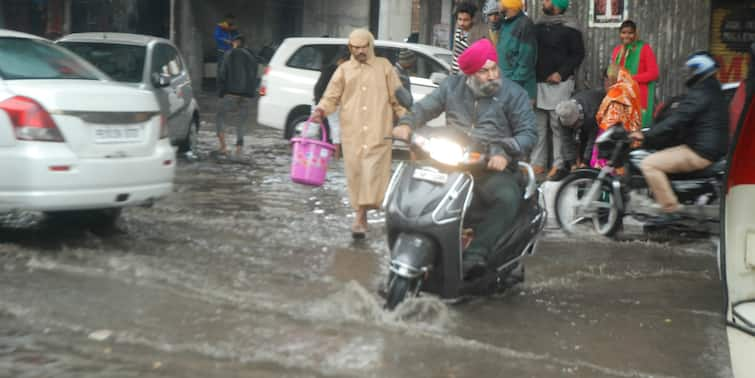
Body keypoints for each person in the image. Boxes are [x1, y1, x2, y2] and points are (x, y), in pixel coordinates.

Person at [392, 39, 537, 277]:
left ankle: (476, 253)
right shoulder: (451, 86)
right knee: (416, 181)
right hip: (451, 160)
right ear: (469, 74)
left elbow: (529, 134)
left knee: (507, 197)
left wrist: (503, 150)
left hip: (490, 164)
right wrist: (407, 124)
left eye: (494, 69)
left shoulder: (514, 94)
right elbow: (425, 107)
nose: (492, 76)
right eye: (484, 71)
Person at [311, 29, 407, 239]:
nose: (360, 51)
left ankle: (361, 214)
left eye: (364, 46)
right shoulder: (344, 70)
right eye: (355, 47)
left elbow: (397, 97)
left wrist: (408, 121)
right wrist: (320, 111)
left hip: (378, 130)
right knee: (355, 173)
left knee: (372, 171)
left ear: (370, 46)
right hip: (352, 131)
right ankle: (361, 213)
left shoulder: (384, 67)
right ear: (350, 48)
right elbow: (331, 96)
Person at [630, 52, 728, 225]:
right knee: (662, 154)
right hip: (705, 147)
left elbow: (677, 119)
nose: (688, 74)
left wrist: (645, 134)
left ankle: (670, 209)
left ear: (700, 70)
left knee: (649, 163)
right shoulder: (712, 89)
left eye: (691, 70)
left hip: (700, 151)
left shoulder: (701, 93)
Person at [532, 0, 584, 180]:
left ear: (556, 4)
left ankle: (558, 164)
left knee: (558, 126)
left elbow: (578, 54)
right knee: (538, 126)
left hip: (559, 84)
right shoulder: (538, 24)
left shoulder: (570, 27)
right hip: (538, 82)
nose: (543, 2)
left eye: (547, 0)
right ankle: (537, 163)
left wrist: (561, 73)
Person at [591, 64, 642, 168]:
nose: (605, 84)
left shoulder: (616, 97)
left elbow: (608, 127)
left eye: (606, 80)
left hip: (614, 145)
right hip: (629, 140)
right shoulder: (630, 91)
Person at [610, 20, 659, 127]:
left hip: (640, 96)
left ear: (635, 33)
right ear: (619, 33)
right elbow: (613, 72)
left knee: (637, 132)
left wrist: (631, 79)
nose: (626, 36)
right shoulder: (617, 51)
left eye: (630, 33)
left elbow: (653, 73)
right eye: (623, 32)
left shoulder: (645, 48)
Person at [554, 77, 607, 174]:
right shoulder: (562, 115)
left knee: (592, 148)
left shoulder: (592, 113)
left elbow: (593, 139)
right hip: (586, 118)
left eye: (573, 124)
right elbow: (566, 140)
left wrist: (585, 162)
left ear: (577, 117)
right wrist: (572, 164)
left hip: (603, 113)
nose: (571, 127)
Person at [216, 35, 257, 156]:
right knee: (241, 122)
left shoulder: (229, 54)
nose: (232, 44)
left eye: (233, 42)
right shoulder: (251, 56)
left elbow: (222, 74)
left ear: (236, 42)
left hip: (230, 93)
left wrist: (221, 91)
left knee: (220, 117)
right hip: (246, 95)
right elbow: (254, 75)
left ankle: (223, 146)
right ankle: (239, 149)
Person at [497, 0, 537, 101]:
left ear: (508, 6)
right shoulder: (506, 23)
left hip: (519, 87)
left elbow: (527, 59)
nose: (498, 5)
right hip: (506, 83)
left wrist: (514, 84)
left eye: (500, 2)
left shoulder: (524, 24)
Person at [313, 50, 351, 158]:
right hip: (327, 102)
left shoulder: (333, 70)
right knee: (333, 127)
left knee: (325, 128)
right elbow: (321, 88)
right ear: (341, 61)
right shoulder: (334, 71)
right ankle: (335, 154)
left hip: (324, 102)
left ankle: (325, 153)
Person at [451, 2, 480, 74]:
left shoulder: (476, 36)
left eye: (466, 20)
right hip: (455, 75)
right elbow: (455, 54)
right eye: (459, 19)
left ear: (472, 19)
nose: (462, 23)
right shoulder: (458, 30)